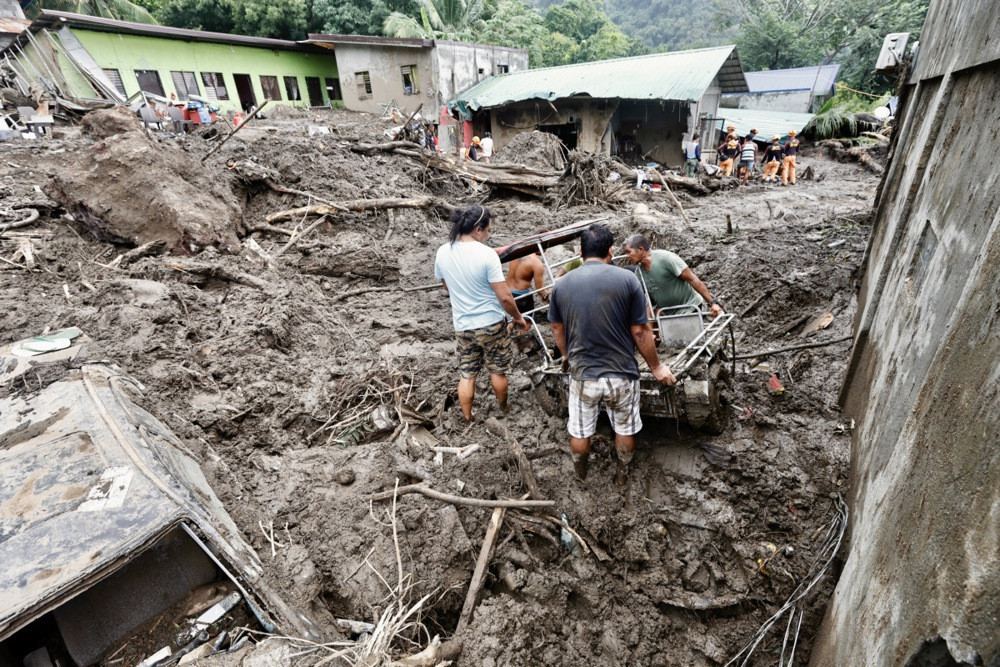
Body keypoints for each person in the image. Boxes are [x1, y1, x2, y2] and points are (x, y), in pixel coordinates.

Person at [548, 224, 676, 483]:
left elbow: (556, 328)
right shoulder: (627, 279)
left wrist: (566, 355)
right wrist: (656, 367)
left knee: (580, 431)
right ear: (610, 251)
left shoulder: (561, 285)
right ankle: (622, 473)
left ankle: (581, 473)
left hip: (583, 374)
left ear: (581, 252)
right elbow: (640, 331)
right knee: (625, 428)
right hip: (621, 373)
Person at [434, 205, 529, 421]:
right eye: (488, 230)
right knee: (497, 371)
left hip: (463, 325)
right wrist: (517, 317)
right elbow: (505, 297)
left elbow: (445, 285)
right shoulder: (487, 255)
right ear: (478, 229)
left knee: (467, 375)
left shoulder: (442, 251)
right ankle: (503, 409)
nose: (488, 235)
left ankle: (468, 417)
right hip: (491, 323)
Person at [622, 234, 724, 319]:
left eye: (628, 252)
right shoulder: (639, 272)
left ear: (640, 249)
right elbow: (648, 300)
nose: (627, 256)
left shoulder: (666, 259)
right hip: (668, 314)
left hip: (689, 307)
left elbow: (692, 279)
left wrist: (712, 303)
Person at [506, 229, 549, 317]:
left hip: (506, 292)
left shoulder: (517, 252)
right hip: (521, 297)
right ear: (545, 244)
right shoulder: (537, 263)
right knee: (526, 323)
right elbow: (540, 291)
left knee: (510, 321)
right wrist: (551, 300)